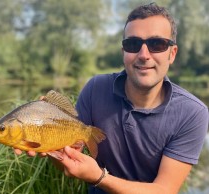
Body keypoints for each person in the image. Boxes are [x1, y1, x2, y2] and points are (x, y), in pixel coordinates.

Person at [15, 2, 209, 194]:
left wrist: (99, 178)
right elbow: (68, 161)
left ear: (172, 53)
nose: (144, 55)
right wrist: (47, 142)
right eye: (133, 44)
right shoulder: (95, 88)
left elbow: (164, 190)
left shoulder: (192, 113)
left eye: (156, 44)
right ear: (123, 51)